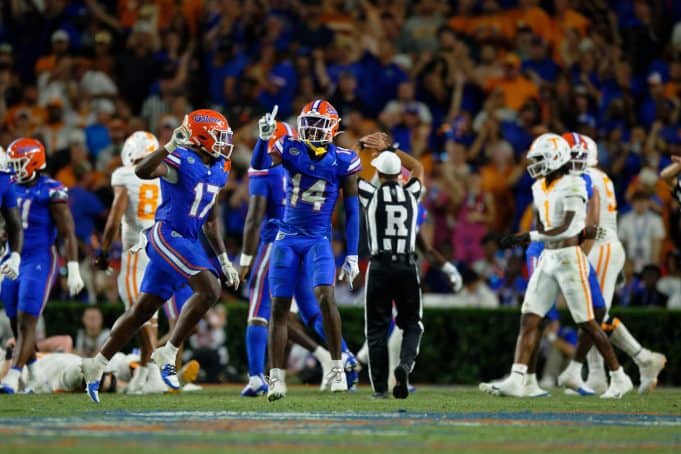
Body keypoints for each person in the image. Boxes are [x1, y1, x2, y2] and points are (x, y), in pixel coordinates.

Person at [81, 109, 240, 403]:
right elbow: (142, 172)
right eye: (219, 136)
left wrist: (225, 259)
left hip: (189, 239)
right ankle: (169, 351)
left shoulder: (221, 166)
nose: (224, 142)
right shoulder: (181, 158)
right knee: (210, 289)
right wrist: (169, 146)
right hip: (166, 234)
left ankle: (97, 364)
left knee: (141, 312)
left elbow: (212, 219)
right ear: (202, 136)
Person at [479, 133, 632, 399]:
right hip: (548, 258)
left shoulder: (574, 184)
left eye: (540, 159)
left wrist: (529, 237)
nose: (534, 165)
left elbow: (571, 227)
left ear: (556, 158)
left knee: (587, 322)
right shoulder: (539, 186)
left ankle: (620, 377)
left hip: (569, 258)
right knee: (530, 317)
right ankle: (518, 378)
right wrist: (535, 239)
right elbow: (543, 223)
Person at [250, 100, 361, 401]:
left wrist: (352, 254)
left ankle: (337, 367)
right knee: (279, 307)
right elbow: (259, 166)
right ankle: (276, 378)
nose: (311, 129)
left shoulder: (344, 160)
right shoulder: (290, 148)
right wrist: (263, 139)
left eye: (318, 124)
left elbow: (352, 210)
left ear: (333, 129)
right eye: (308, 123)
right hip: (286, 238)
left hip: (317, 239)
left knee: (326, 296)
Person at [578, 134, 666, 394]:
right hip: (601, 247)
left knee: (595, 315)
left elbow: (587, 222)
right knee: (586, 313)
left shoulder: (588, 178)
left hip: (599, 246)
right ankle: (597, 374)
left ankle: (643, 359)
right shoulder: (596, 175)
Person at [0, 138, 84, 394]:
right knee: (14, 319)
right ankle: (35, 374)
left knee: (28, 318)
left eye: (19, 163)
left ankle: (14, 376)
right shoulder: (9, 184)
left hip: (39, 258)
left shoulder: (51, 189)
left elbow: (67, 232)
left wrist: (73, 267)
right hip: (11, 256)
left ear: (34, 161)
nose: (14, 168)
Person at [94, 131, 170, 394]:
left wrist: (103, 251)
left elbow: (115, 219)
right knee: (151, 314)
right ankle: (144, 377)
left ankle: (153, 373)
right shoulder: (163, 173)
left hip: (136, 250)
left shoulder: (125, 175)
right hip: (161, 246)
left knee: (137, 312)